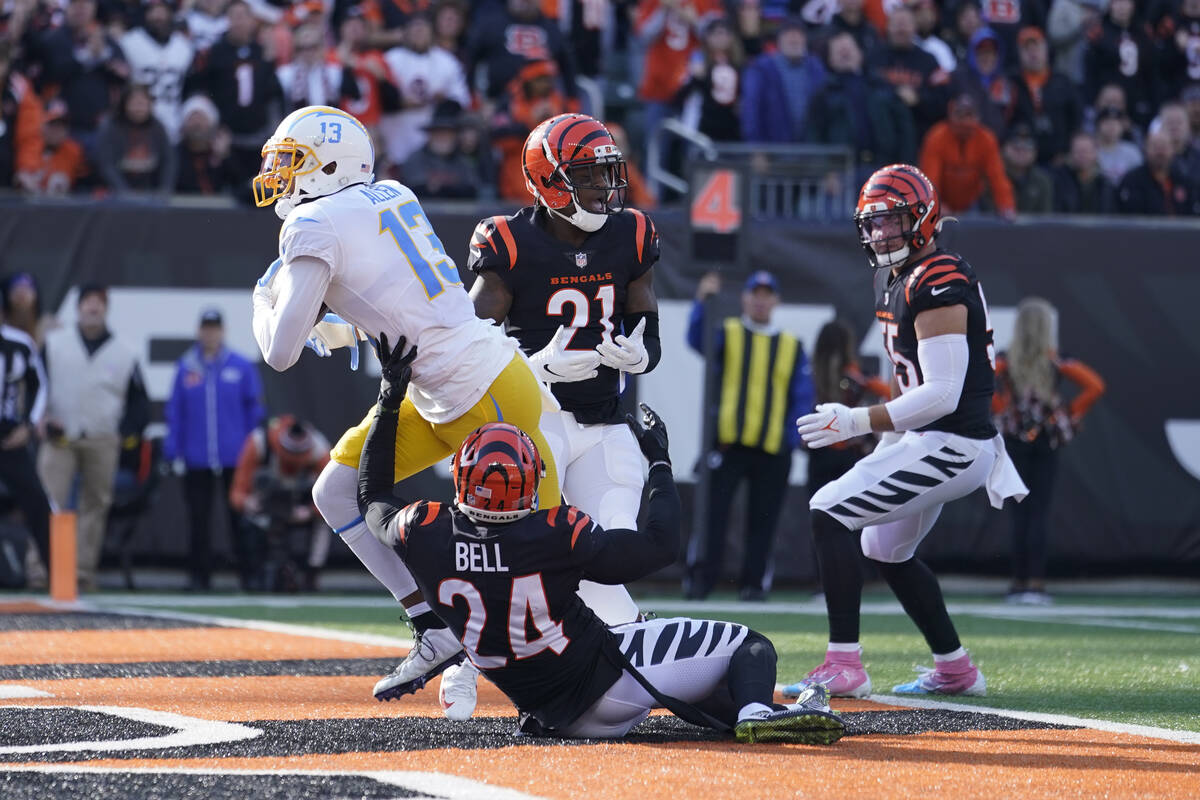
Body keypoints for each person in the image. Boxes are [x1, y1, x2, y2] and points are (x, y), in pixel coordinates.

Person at [357, 334, 844, 745]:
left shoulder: (426, 528)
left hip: (544, 710)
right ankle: (757, 712)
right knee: (748, 644)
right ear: (531, 482)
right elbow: (660, 546)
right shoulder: (551, 533)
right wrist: (659, 462)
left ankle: (740, 711)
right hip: (606, 688)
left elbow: (372, 495)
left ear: (461, 479)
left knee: (690, 669)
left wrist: (388, 397)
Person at [250, 104, 562, 718]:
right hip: (436, 387)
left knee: (530, 555)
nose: (282, 176)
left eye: (293, 162)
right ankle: (433, 624)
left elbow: (279, 351)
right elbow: (396, 298)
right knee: (336, 492)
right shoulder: (388, 192)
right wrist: (341, 327)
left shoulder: (313, 223)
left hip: (484, 389)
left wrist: (263, 300)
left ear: (329, 167)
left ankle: (568, 678)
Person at [782, 164, 1027, 700]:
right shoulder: (896, 277)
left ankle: (844, 664)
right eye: (871, 224)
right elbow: (911, 381)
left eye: (891, 222)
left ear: (923, 218)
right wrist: (886, 439)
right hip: (931, 438)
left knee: (827, 508)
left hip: (957, 443)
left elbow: (942, 390)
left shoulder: (937, 278)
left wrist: (857, 420)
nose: (879, 235)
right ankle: (956, 669)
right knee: (882, 546)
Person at [469, 111, 662, 629]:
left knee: (614, 550)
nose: (604, 186)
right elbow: (467, 347)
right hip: (535, 424)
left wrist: (644, 354)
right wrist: (532, 369)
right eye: (587, 174)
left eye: (607, 172)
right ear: (548, 180)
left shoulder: (632, 233)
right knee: (516, 554)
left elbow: (647, 323)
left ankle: (624, 658)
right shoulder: (509, 242)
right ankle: (465, 662)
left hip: (604, 423)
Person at [684, 270, 814, 602]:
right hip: (728, 446)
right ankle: (701, 581)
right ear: (744, 297)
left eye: (767, 293)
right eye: (754, 292)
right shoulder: (727, 333)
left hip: (772, 451)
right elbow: (696, 339)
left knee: (764, 522)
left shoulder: (791, 346)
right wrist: (702, 301)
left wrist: (790, 438)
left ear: (776, 300)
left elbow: (802, 396)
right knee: (713, 517)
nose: (760, 299)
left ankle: (754, 584)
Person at [38, 285, 150, 592]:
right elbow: (34, 387)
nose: (92, 308)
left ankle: (82, 573)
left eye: (98, 303)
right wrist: (41, 419)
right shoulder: (54, 343)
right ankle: (39, 571)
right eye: (87, 302)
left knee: (95, 506)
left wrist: (124, 433)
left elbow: (140, 401)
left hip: (101, 438)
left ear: (106, 308)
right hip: (59, 436)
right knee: (48, 501)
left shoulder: (125, 351)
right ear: (78, 308)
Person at [994, 298, 1104, 605]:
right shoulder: (1056, 360)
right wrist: (1065, 414)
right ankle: (1036, 584)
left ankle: (1017, 584)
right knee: (1038, 512)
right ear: (1046, 328)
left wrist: (1005, 410)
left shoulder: (1005, 359)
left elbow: (982, 382)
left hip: (1014, 442)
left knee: (1019, 512)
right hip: (1046, 441)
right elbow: (1096, 386)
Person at [163, 308, 265, 590]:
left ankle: (249, 577)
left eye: (214, 328)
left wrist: (253, 453)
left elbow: (254, 412)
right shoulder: (187, 367)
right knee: (198, 520)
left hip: (235, 459)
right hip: (197, 459)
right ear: (199, 331)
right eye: (206, 328)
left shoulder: (241, 366)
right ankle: (199, 577)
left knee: (239, 521)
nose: (210, 333)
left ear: (222, 331)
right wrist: (174, 450)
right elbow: (176, 412)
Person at [229, 414, 331, 592]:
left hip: (302, 507)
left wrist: (311, 510)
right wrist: (248, 502)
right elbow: (237, 493)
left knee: (325, 522)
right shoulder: (259, 443)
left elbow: (332, 499)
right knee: (249, 522)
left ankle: (311, 575)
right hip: (268, 509)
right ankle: (256, 574)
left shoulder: (320, 450)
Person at [807, 319, 890, 495]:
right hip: (851, 453)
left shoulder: (809, 375)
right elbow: (890, 393)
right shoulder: (857, 378)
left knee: (820, 510)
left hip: (820, 454)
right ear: (847, 346)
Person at [0, 321, 51, 588]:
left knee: (38, 502)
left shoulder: (18, 343)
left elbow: (39, 385)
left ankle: (56, 574)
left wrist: (28, 425)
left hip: (10, 437)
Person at [919, 93, 1015, 218]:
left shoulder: (986, 139)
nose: (965, 121)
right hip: (942, 203)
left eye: (969, 115)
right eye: (960, 114)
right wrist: (936, 205)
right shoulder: (936, 137)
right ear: (951, 114)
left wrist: (1006, 206)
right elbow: (930, 178)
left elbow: (997, 177)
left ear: (978, 116)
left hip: (971, 202)